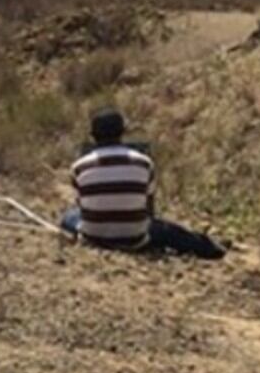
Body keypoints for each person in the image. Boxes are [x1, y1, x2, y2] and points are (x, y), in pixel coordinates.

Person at [61, 107, 226, 260]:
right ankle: (209, 247)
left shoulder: (79, 167)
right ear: (122, 132)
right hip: (135, 238)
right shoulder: (144, 163)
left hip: (93, 237)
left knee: (69, 216)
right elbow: (148, 205)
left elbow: (83, 204)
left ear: (93, 136)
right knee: (168, 230)